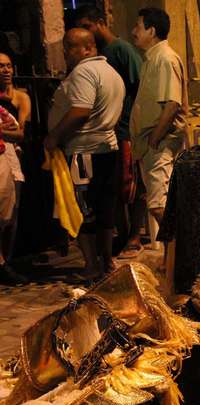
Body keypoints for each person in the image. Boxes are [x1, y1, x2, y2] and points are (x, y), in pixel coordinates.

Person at [45, 28, 125, 281]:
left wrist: (54, 136)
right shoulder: (110, 72)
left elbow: (81, 111)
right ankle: (107, 262)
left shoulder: (84, 72)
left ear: (88, 48)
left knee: (85, 210)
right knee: (105, 210)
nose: (66, 54)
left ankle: (92, 265)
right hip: (106, 149)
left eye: (70, 48)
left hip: (84, 152)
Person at [74, 6, 145, 260]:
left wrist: (131, 122)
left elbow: (140, 87)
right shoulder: (99, 56)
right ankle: (123, 236)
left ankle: (135, 236)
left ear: (101, 22)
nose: (86, 31)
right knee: (114, 190)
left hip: (126, 128)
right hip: (109, 133)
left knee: (132, 186)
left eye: (88, 25)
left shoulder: (122, 51)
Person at [129, 7, 188, 240]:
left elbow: (172, 104)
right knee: (161, 203)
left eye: (138, 26)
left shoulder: (164, 58)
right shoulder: (152, 59)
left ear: (151, 30)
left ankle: (184, 250)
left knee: (158, 205)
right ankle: (174, 255)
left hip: (159, 144)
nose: (133, 31)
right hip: (151, 145)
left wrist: (154, 139)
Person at [0, 52, 30, 285]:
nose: (6, 70)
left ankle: (6, 261)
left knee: (12, 215)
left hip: (12, 158)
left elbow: (20, 134)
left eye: (9, 66)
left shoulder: (21, 97)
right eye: (1, 66)